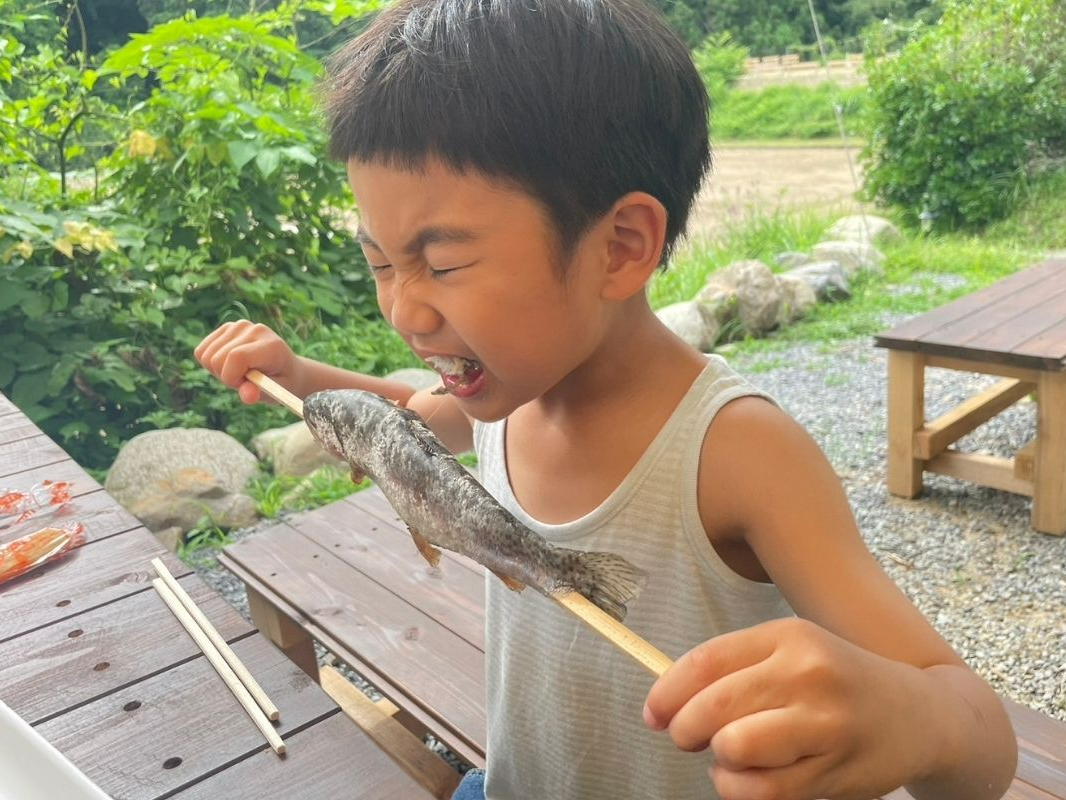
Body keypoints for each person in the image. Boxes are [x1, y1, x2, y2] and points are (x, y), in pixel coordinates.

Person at [194, 0, 1017, 797]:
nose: (402, 311)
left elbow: (983, 743)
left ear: (620, 247)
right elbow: (403, 423)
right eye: (379, 262)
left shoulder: (735, 453)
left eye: (441, 264)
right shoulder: (507, 394)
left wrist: (912, 720)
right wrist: (300, 375)